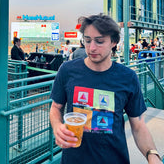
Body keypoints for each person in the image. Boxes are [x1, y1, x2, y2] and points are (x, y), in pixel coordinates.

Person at [49, 14, 162, 164]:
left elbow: (138, 125)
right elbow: (55, 107)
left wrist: (152, 154)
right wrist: (57, 126)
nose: (92, 47)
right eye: (87, 40)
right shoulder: (67, 70)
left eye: (99, 41)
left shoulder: (128, 77)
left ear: (114, 42)